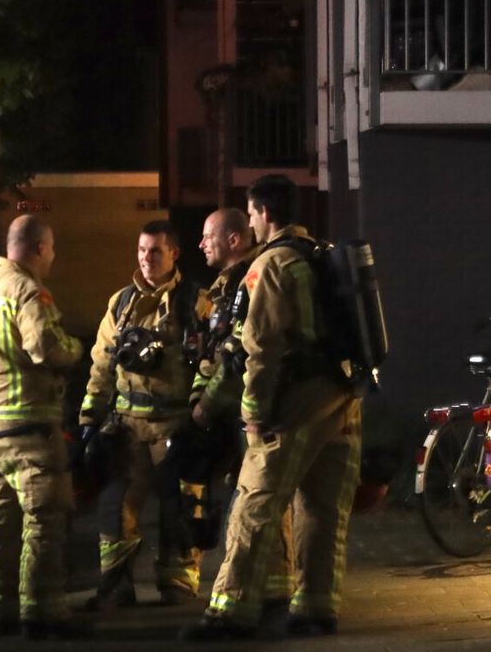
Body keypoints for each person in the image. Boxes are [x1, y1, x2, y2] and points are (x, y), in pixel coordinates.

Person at [181, 174, 363, 641]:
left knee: (255, 503)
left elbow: (259, 347)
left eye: (253, 213)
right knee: (322, 508)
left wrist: (253, 412)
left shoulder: (273, 265)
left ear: (261, 213)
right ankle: (317, 608)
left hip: (297, 402)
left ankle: (229, 612)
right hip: (341, 396)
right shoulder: (318, 255)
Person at [0, 215, 86, 640]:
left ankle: (0, 611)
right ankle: (42, 612)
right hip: (30, 429)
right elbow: (46, 348)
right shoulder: (28, 290)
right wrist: (74, 348)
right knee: (43, 521)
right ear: (41, 249)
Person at [78, 219, 211, 610]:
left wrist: (202, 415)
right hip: (128, 429)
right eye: (141, 251)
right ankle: (116, 585)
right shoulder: (120, 304)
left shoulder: (195, 302)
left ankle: (178, 585)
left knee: (180, 505)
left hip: (175, 425)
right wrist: (89, 418)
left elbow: (210, 361)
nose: (146, 258)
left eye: (155, 251)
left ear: (174, 254)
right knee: (116, 507)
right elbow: (101, 365)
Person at [191, 208, 296, 614]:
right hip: (237, 409)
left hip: (253, 411)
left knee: (256, 503)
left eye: (207, 236)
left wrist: (205, 404)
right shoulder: (223, 287)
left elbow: (240, 355)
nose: (201, 244)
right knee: (259, 502)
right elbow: (211, 353)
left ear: (234, 240)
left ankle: (258, 596)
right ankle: (273, 588)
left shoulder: (251, 281)